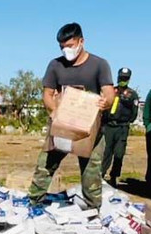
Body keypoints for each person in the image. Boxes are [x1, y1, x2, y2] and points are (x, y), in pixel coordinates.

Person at [28, 23, 114, 209]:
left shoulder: (99, 64)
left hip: (90, 130)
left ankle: (93, 210)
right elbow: (47, 94)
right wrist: (54, 111)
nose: (67, 50)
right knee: (45, 165)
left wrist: (105, 102)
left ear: (81, 41)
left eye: (70, 45)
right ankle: (34, 203)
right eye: (62, 47)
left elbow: (109, 93)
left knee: (91, 172)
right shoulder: (55, 65)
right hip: (62, 126)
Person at [101, 67, 139, 187]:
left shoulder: (132, 94)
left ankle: (114, 176)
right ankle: (101, 175)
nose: (123, 80)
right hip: (108, 126)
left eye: (125, 78)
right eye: (121, 78)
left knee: (119, 153)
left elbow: (134, 112)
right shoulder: (111, 91)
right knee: (106, 152)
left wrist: (127, 121)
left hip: (122, 127)